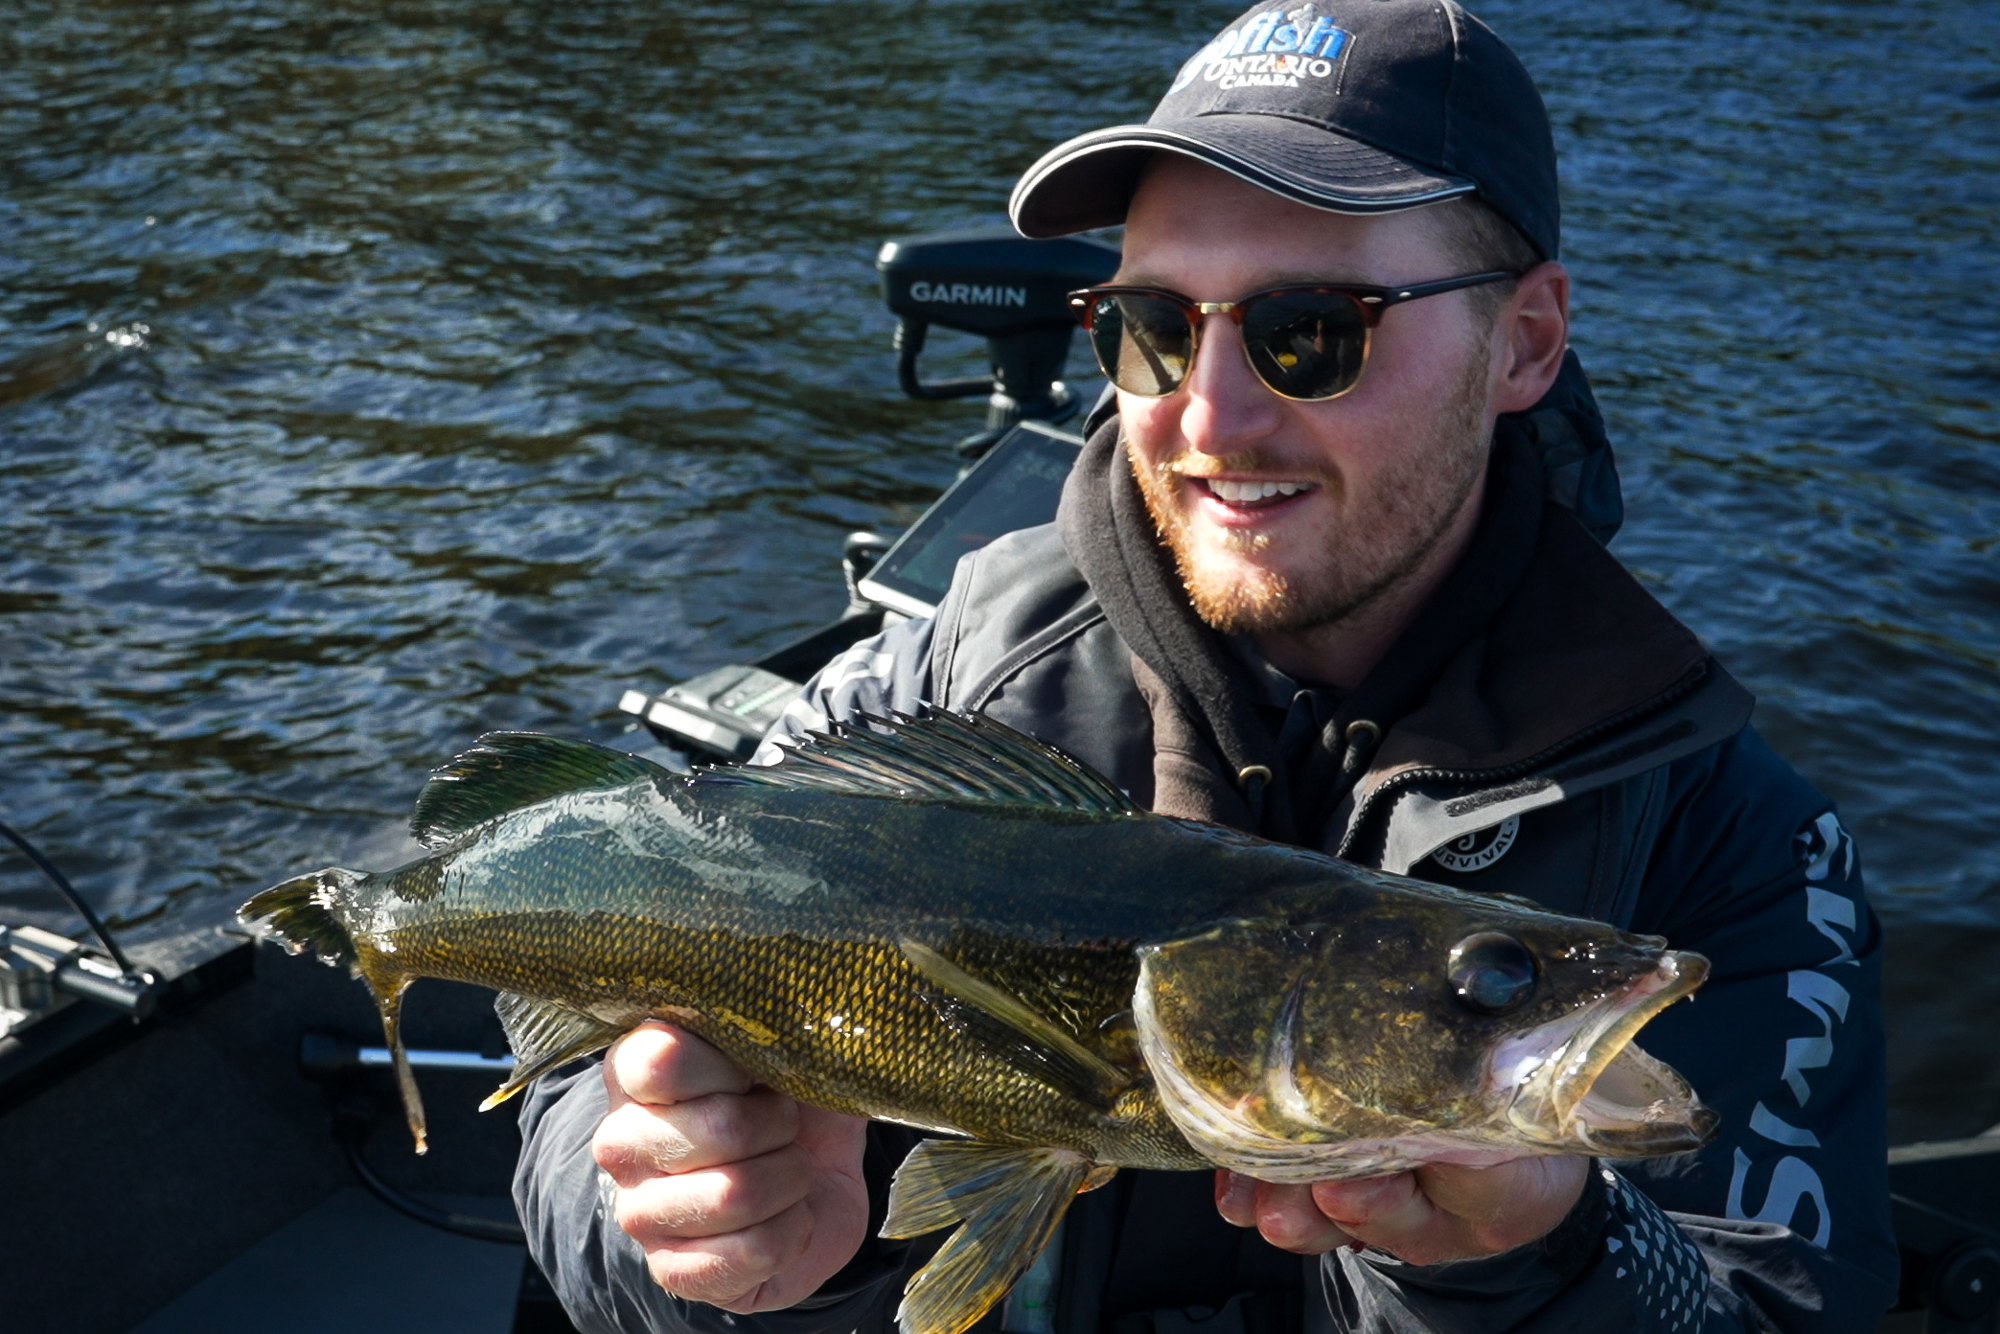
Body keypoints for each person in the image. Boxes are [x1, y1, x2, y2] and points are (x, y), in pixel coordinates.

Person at [513, 2, 1899, 1331]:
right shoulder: (928, 689)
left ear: (1523, 343)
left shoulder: (1733, 844)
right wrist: (721, 1248)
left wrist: (1529, 1262)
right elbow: (572, 1099)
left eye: (1313, 331)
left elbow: (1773, 1303)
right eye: (1153, 327)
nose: (1212, 417)